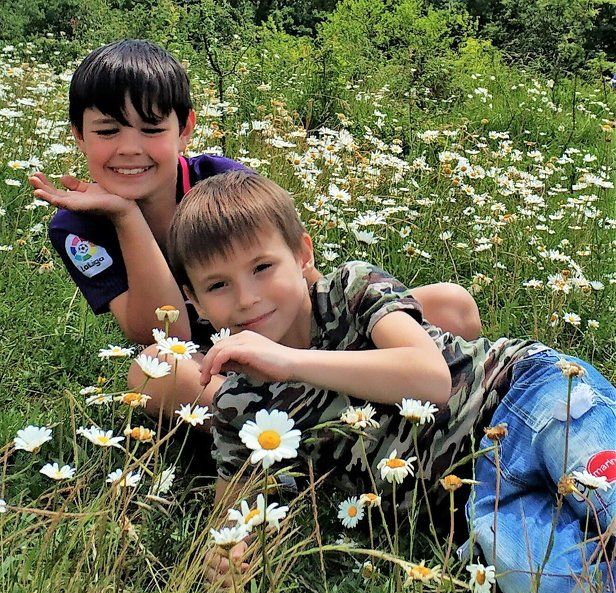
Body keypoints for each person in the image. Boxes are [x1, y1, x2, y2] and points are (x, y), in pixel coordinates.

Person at [167, 171, 615, 593]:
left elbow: (430, 379)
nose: (246, 297)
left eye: (262, 268)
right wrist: (228, 554)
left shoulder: (351, 289)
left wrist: (290, 362)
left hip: (525, 401)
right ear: (194, 303)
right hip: (479, 502)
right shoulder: (240, 406)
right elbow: (232, 520)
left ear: (302, 254)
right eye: (217, 285)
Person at [30, 39, 482, 425]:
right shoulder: (76, 226)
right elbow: (166, 332)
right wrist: (125, 217)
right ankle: (285, 422)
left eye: (151, 129)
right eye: (107, 130)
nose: (130, 148)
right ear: (78, 135)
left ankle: (325, 400)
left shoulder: (219, 179)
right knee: (153, 370)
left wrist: (301, 353)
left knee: (452, 305)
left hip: (284, 334)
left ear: (184, 130)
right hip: (212, 365)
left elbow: (304, 284)